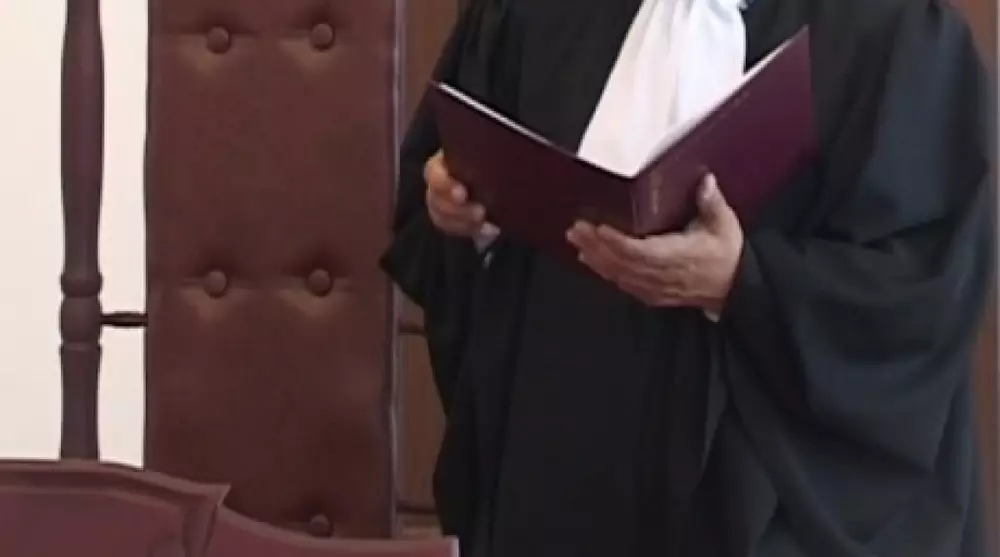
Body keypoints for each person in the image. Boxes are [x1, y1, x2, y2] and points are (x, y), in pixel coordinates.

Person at [381, 0, 995, 555]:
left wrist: (740, 281)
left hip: (756, 493)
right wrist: (461, 209)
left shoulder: (892, 30)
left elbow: (920, 291)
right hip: (554, 460)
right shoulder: (529, 11)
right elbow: (449, 169)